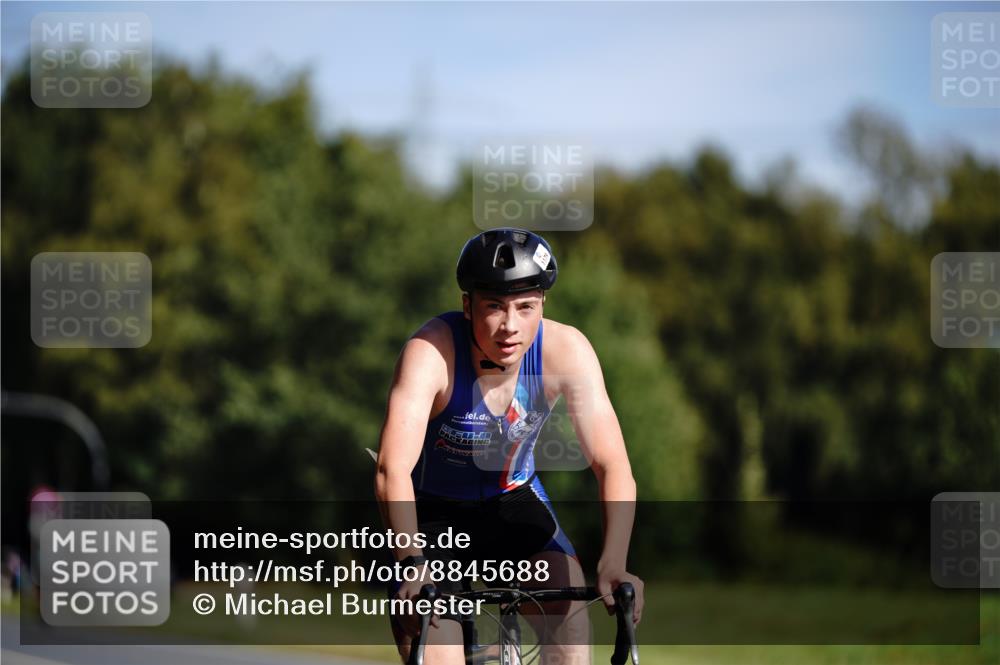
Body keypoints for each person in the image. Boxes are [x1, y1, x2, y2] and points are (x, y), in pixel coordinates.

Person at [374, 228, 643, 665]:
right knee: (430, 637)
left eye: (525, 307)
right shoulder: (431, 352)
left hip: (512, 502)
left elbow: (612, 464)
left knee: (570, 613)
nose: (510, 326)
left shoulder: (566, 352)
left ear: (543, 306)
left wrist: (614, 562)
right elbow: (392, 470)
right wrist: (410, 560)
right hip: (432, 514)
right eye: (494, 307)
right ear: (467, 306)